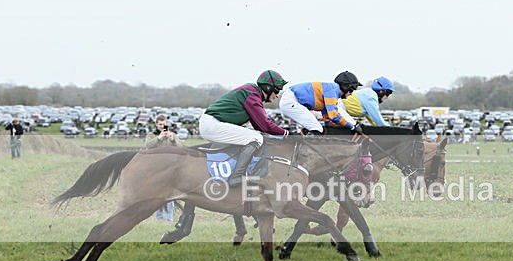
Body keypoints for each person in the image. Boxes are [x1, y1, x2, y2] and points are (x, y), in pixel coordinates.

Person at [161, 70, 289, 244]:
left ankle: (185, 224)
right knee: (256, 138)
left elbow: (259, 124)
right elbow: (264, 125)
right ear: (267, 87)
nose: (277, 95)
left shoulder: (253, 94)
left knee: (254, 138)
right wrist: (287, 133)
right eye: (276, 90)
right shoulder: (253, 95)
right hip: (213, 124)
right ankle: (237, 176)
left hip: (213, 123)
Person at [279, 71, 365, 134]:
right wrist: (352, 126)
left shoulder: (332, 91)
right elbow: (334, 116)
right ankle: (304, 154)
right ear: (346, 86)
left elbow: (327, 118)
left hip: (291, 100)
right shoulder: (333, 91)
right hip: (291, 101)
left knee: (318, 129)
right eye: (352, 90)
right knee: (316, 128)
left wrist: (331, 128)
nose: (352, 93)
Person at [146, 114, 181, 222]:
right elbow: (148, 146)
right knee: (157, 194)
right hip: (156, 168)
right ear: (156, 124)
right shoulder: (152, 135)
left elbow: (182, 148)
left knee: (169, 195)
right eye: (160, 124)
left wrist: (173, 139)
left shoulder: (172, 135)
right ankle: (159, 219)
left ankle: (169, 219)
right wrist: (159, 138)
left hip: (170, 168)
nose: (162, 126)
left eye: (164, 124)